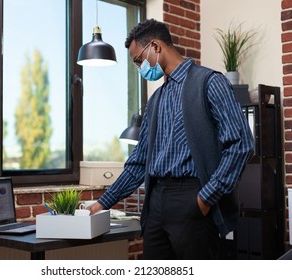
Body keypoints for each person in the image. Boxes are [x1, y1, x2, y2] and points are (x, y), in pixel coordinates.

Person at [88, 18, 254, 260]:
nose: (139, 68)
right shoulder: (155, 100)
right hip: (155, 202)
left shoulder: (209, 82)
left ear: (155, 46)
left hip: (192, 198)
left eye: (138, 60)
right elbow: (139, 162)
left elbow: (241, 144)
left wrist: (205, 198)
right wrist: (102, 203)